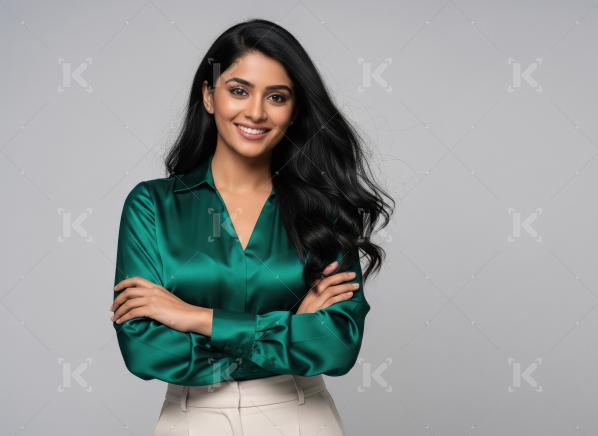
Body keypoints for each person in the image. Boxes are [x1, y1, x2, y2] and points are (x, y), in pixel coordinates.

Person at [109, 18, 393, 436]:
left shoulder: (326, 209)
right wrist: (292, 329)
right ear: (209, 95)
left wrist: (192, 316)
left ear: (294, 110)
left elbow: (336, 347)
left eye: (276, 97)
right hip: (192, 420)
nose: (256, 112)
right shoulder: (152, 205)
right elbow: (144, 350)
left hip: (300, 418)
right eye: (238, 90)